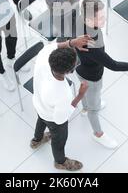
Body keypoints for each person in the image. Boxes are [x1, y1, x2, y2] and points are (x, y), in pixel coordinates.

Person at [75, 0, 128, 148]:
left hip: (81, 69)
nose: (105, 19)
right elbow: (114, 65)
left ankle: (84, 107)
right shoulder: (91, 45)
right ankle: (98, 134)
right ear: (89, 19)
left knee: (84, 89)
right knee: (94, 109)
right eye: (101, 17)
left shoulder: (79, 20)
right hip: (92, 77)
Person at [31, 35, 92, 171]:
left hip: (38, 103)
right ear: (69, 72)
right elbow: (60, 120)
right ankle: (60, 161)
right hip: (52, 117)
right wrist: (80, 95)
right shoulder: (63, 93)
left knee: (41, 120)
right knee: (59, 139)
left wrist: (71, 43)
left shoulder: (43, 56)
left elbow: (53, 46)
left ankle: (37, 140)